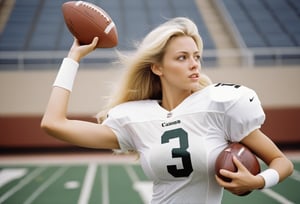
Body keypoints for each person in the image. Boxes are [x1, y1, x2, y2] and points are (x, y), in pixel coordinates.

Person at [41, 17, 293, 203]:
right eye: (182, 58)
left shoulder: (219, 106)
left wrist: (259, 181)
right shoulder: (135, 118)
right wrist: (72, 59)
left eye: (196, 56)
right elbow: (54, 124)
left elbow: (281, 162)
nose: (194, 64)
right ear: (157, 68)